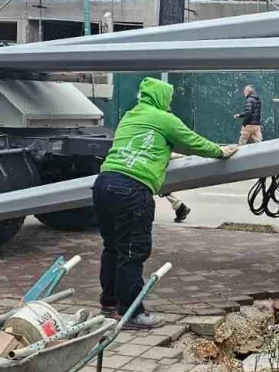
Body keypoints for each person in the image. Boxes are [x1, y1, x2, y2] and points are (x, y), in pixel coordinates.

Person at [94, 77, 238, 329]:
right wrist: (220, 151)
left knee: (113, 248)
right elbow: (194, 142)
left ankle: (109, 304)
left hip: (104, 183)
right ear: (161, 98)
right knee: (132, 252)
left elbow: (139, 144)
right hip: (132, 188)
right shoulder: (165, 119)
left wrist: (163, 153)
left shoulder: (131, 116)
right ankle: (131, 313)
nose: (169, 104)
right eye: (168, 99)